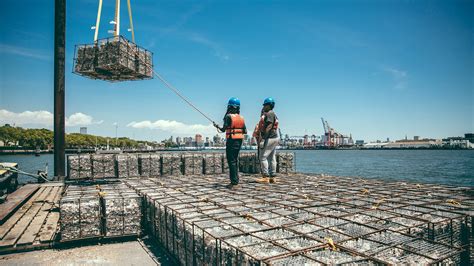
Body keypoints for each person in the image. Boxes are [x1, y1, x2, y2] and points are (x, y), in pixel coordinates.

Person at [214, 97, 247, 189]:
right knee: (235, 160)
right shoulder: (241, 118)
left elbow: (224, 129)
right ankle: (236, 180)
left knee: (231, 161)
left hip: (231, 140)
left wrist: (217, 126)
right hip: (239, 140)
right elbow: (245, 131)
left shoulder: (228, 116)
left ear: (229, 106)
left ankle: (234, 182)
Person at [255, 97, 279, 184]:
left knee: (262, 157)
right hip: (275, 137)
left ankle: (265, 176)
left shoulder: (269, 114)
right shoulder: (273, 114)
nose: (263, 106)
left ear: (269, 105)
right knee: (272, 157)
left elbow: (269, 125)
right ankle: (273, 176)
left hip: (269, 138)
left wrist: (264, 136)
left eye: (265, 105)